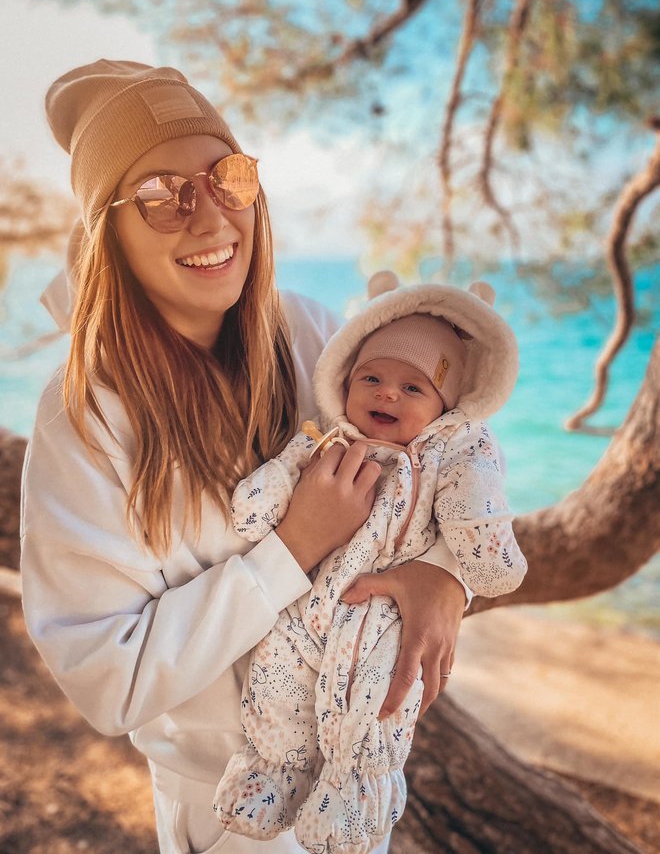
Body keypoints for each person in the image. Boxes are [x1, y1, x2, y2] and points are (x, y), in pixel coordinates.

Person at [19, 60, 468, 854]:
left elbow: (432, 468)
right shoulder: (86, 413)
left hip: (353, 784)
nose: (209, 216)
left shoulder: (313, 333)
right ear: (108, 233)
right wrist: (291, 546)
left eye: (226, 176)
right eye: (159, 197)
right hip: (227, 814)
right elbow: (107, 680)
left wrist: (441, 575)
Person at [213, 278, 527, 854]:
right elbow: (275, 488)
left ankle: (353, 794)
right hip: (304, 600)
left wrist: (467, 567)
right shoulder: (327, 442)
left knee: (374, 704)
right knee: (277, 676)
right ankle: (276, 772)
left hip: (382, 617)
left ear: (444, 407)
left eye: (413, 387)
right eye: (372, 379)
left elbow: (476, 509)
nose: (387, 395)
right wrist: (263, 503)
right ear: (346, 379)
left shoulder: (444, 456)